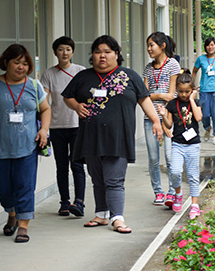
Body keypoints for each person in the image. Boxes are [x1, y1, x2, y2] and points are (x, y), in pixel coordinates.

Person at [62, 35, 162, 234]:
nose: (102, 56)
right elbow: (67, 96)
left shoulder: (129, 76)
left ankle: (117, 218)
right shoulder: (83, 76)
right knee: (97, 179)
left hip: (118, 137)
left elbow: (144, 99)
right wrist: (76, 106)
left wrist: (156, 121)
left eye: (107, 52)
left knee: (114, 180)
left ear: (116, 54)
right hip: (91, 136)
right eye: (98, 52)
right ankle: (101, 214)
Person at [0, 44, 51, 243]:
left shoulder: (34, 86)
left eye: (25, 63)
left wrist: (43, 130)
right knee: (1, 187)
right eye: (16, 62)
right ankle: (11, 212)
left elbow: (45, 109)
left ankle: (23, 225)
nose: (21, 67)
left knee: (24, 185)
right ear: (6, 63)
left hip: (28, 146)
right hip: (2, 147)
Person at [40, 37, 86, 217]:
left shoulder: (80, 71)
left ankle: (79, 202)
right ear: (55, 52)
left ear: (72, 52)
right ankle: (65, 202)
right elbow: (44, 100)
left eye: (68, 49)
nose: (64, 53)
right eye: (60, 49)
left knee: (77, 165)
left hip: (77, 125)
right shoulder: (49, 74)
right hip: (57, 126)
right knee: (61, 166)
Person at [157, 69, 203, 220]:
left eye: (187, 91)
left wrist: (191, 100)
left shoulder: (195, 102)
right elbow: (169, 125)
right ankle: (178, 194)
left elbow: (198, 117)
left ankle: (195, 205)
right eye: (181, 91)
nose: (183, 94)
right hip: (177, 144)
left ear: (192, 90)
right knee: (175, 172)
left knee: (193, 175)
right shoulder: (171, 104)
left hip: (193, 145)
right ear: (176, 89)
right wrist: (164, 116)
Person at [143, 32, 181, 207]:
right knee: (153, 157)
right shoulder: (147, 69)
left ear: (162, 46)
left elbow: (172, 96)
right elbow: (144, 96)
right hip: (150, 117)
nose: (149, 49)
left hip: (168, 118)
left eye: (152, 45)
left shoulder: (173, 64)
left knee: (170, 156)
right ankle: (158, 192)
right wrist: (160, 95)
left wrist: (167, 119)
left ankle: (172, 192)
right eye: (148, 45)